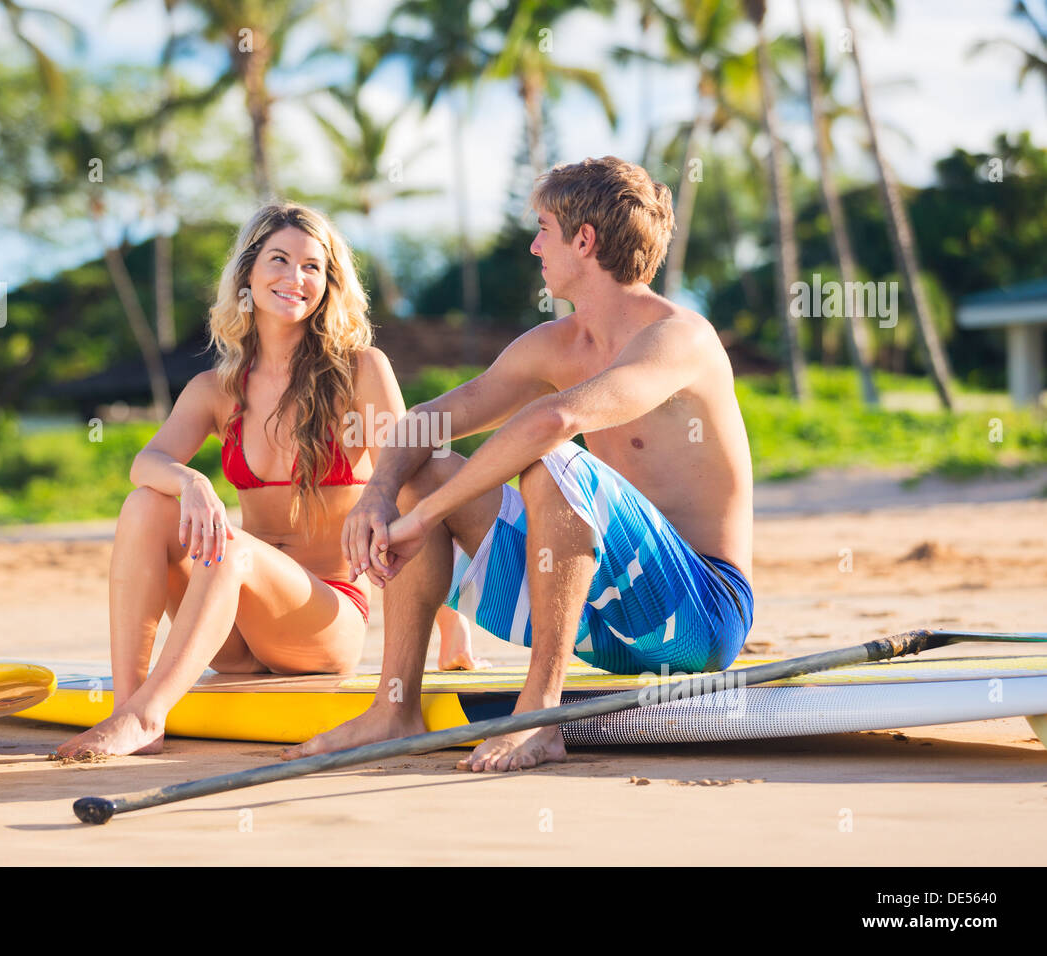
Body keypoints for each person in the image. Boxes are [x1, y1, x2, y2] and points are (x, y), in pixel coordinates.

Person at [287, 156, 756, 772]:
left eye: (544, 229)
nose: (535, 245)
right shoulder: (554, 346)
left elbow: (552, 424)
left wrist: (425, 519)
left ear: (583, 241)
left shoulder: (680, 338)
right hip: (602, 624)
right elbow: (430, 417)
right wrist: (380, 493)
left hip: (698, 614)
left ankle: (540, 715)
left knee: (553, 458)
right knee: (423, 464)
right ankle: (393, 706)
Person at [58, 202, 415, 758]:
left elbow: (413, 487)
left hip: (326, 619)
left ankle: (150, 714)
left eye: (312, 266)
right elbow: (145, 463)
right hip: (234, 634)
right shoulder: (215, 388)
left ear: (329, 282)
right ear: (248, 272)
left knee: (231, 549)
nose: (294, 277)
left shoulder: (363, 370)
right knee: (145, 505)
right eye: (278, 259)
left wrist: (450, 619)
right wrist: (192, 484)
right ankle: (129, 708)